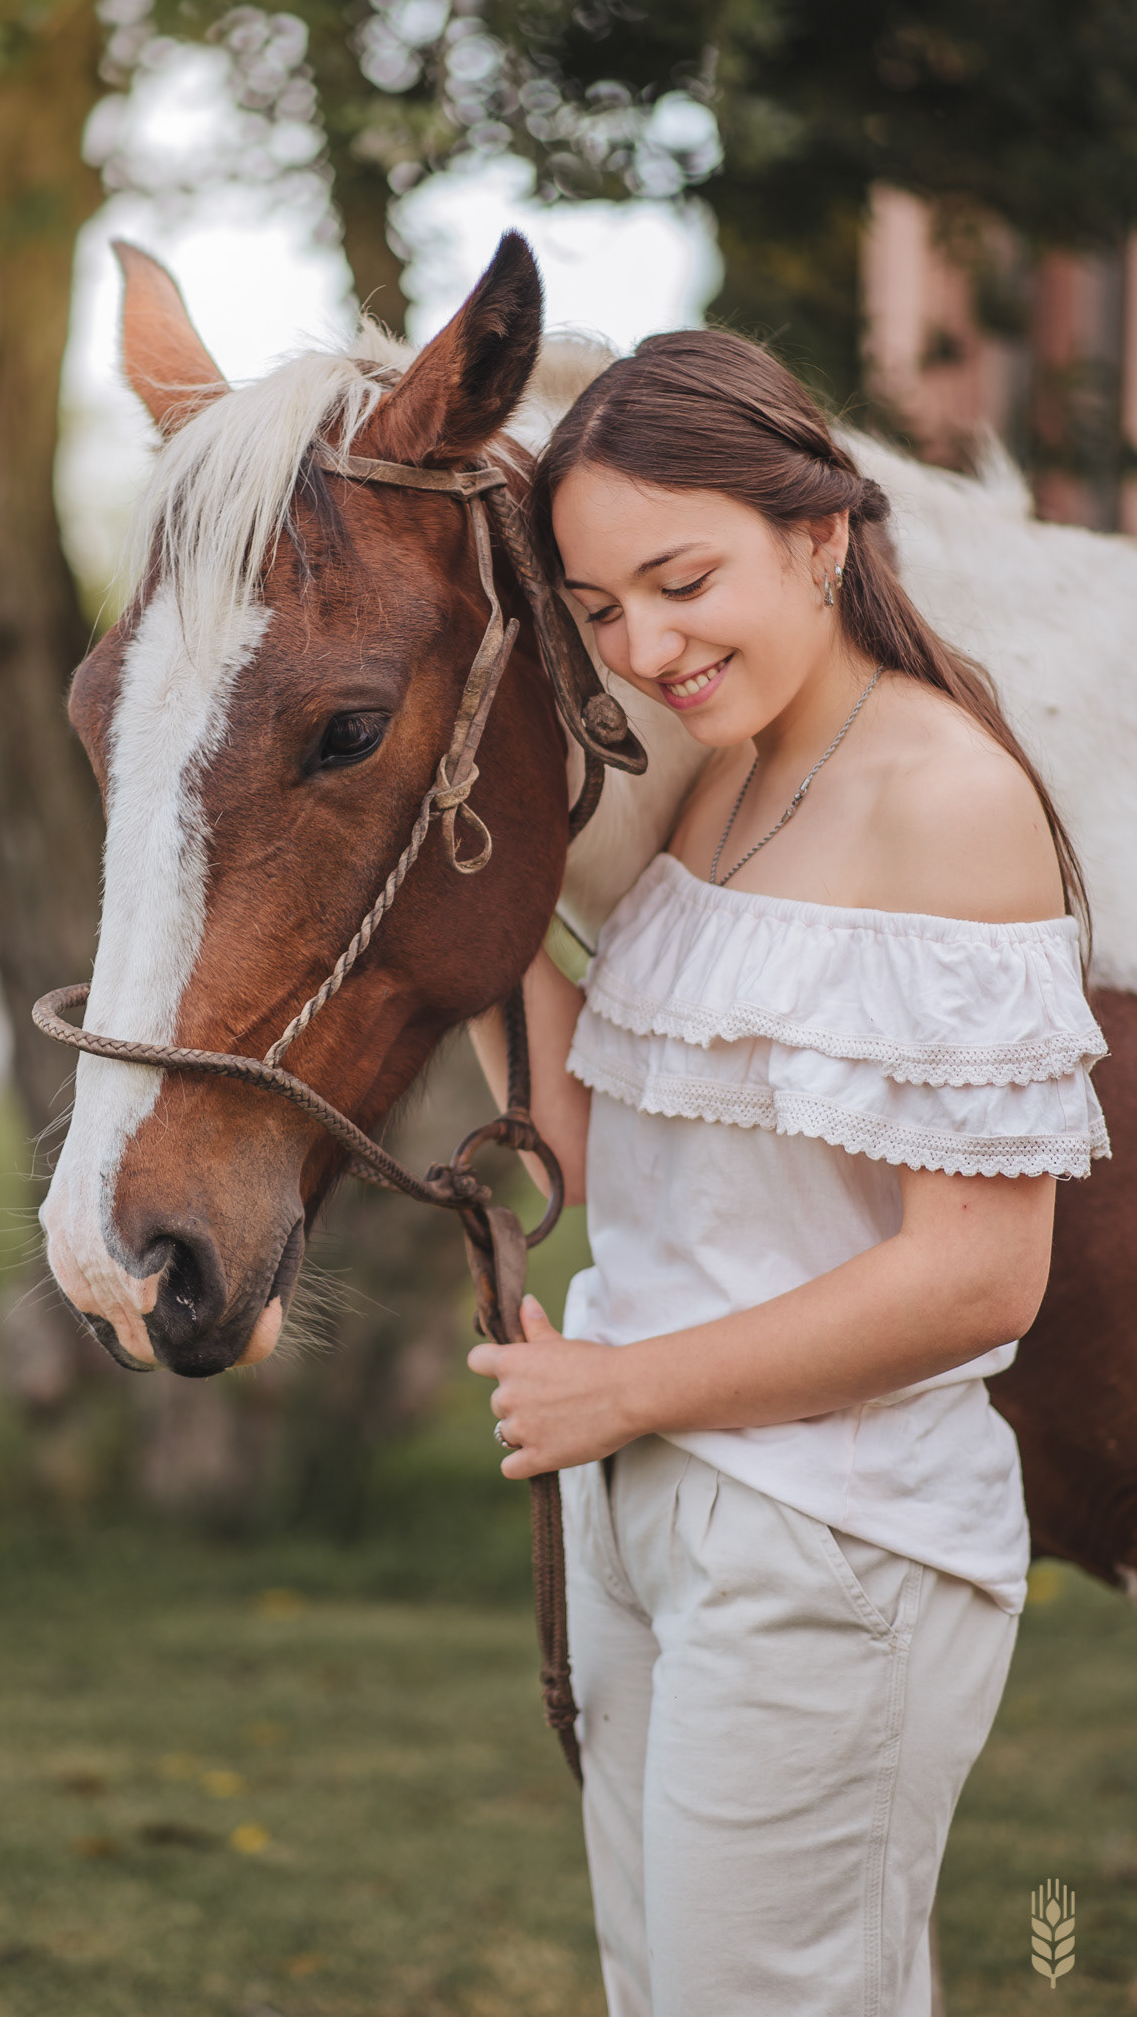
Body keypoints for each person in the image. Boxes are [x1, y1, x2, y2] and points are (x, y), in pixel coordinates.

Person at [466, 331, 1109, 2017]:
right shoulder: (718, 782)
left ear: (818, 533)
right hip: (653, 1507)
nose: (647, 648)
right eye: (600, 611)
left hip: (834, 1540)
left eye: (683, 582)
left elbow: (981, 1278)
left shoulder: (946, 797)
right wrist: (482, 928)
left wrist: (620, 1390)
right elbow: (633, 1175)